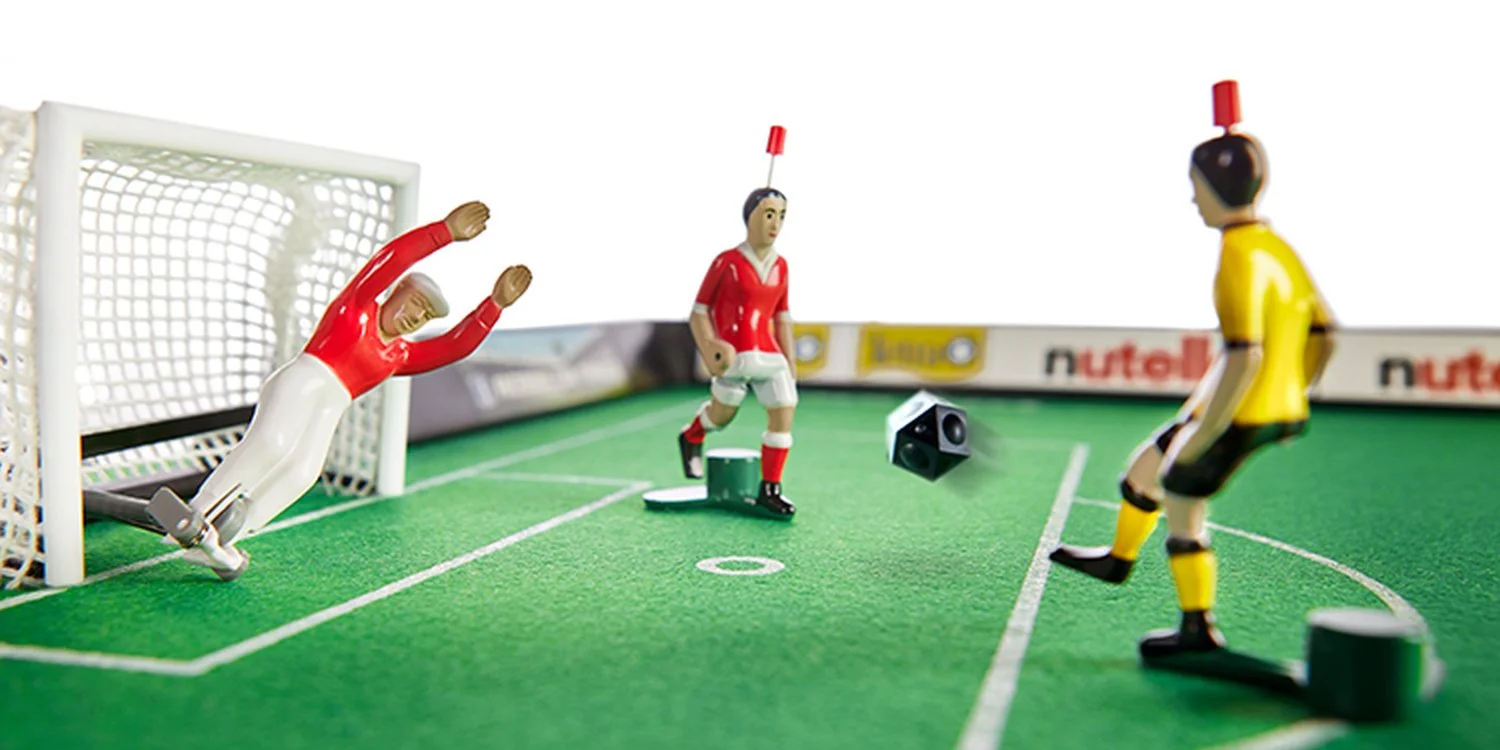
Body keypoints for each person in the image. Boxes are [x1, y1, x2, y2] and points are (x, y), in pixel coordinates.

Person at [1049, 102, 1336, 660]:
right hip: (1256, 404)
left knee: (1181, 498)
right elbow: (1323, 334)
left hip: (1240, 411)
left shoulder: (1237, 256)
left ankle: (1197, 629)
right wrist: (1294, 390)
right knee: (1145, 468)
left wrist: (1207, 433)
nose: (1192, 198)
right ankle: (1118, 559)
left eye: (1195, 185)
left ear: (1212, 187)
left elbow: (1244, 356)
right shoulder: (1277, 247)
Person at [167, 201, 532, 576]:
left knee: (303, 472)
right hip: (305, 379)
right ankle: (199, 510)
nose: (415, 316)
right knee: (273, 443)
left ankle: (226, 536)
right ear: (396, 292)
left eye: (425, 315)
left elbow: (453, 347)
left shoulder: (398, 354)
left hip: (333, 403)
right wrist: (443, 233)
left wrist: (494, 306)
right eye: (415, 304)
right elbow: (391, 260)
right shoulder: (357, 308)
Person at [677, 187, 798, 519]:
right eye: (768, 214)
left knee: (784, 414)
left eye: (782, 216)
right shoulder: (727, 262)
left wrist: (790, 360)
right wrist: (710, 349)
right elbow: (699, 312)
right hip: (734, 355)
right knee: (722, 417)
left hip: (770, 355)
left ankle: (770, 490)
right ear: (750, 217)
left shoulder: (781, 266)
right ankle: (692, 435)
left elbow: (782, 315)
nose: (775, 223)